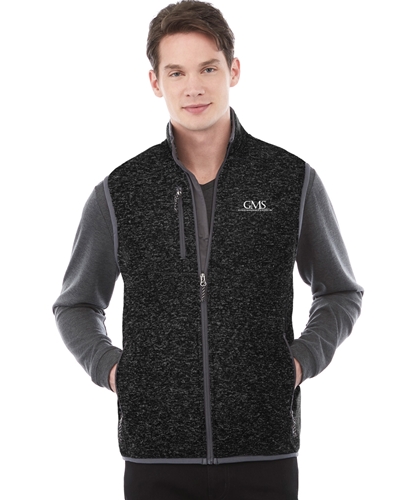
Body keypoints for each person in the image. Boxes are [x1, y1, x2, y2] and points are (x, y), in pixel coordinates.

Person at [53, 1, 363, 498]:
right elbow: (76, 304)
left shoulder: (289, 179)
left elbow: (340, 292)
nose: (193, 87)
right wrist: (115, 371)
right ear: (155, 82)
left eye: (208, 68)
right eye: (176, 72)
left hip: (264, 452)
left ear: (233, 71)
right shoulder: (121, 191)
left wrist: (298, 362)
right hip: (155, 456)